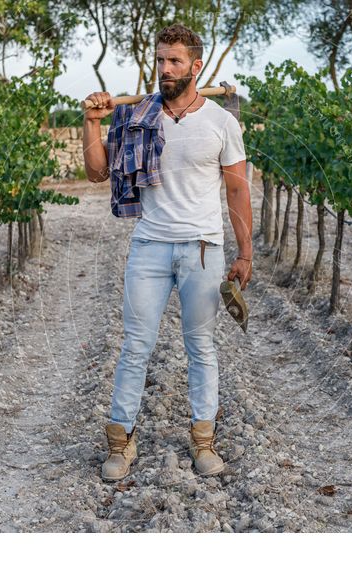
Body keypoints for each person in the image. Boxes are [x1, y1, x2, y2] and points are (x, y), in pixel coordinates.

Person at [82, 23, 252, 481]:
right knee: (135, 347)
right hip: (149, 247)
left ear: (196, 67)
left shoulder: (221, 122)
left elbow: (237, 192)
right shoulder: (136, 115)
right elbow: (97, 173)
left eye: (174, 61)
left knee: (201, 347)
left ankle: (203, 441)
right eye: (160, 60)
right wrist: (92, 123)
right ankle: (120, 444)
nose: (165, 68)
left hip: (202, 249)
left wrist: (245, 254)